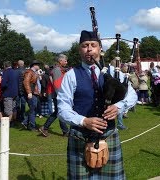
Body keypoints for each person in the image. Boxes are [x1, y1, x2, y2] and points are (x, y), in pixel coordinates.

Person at [57, 30, 137, 179]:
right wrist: (84, 121)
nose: (89, 49)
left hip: (108, 134)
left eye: (93, 45)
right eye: (84, 45)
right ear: (79, 50)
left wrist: (119, 106)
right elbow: (62, 109)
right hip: (80, 137)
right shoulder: (71, 75)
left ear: (100, 48)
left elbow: (131, 94)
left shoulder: (114, 72)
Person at [38, 54, 70, 137]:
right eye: (65, 61)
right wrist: (61, 95)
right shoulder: (57, 70)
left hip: (56, 94)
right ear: (60, 61)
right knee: (59, 112)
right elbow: (57, 84)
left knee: (58, 112)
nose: (66, 62)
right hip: (57, 94)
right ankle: (46, 128)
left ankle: (64, 131)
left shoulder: (58, 69)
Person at [21, 60, 41, 131]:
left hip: (33, 93)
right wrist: (29, 92)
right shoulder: (29, 72)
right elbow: (26, 82)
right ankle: (31, 126)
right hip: (31, 93)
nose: (39, 66)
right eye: (38, 65)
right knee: (33, 109)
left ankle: (26, 122)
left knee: (33, 109)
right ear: (34, 65)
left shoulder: (32, 72)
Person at [0, 61, 19, 126]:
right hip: (15, 93)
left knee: (8, 111)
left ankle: (6, 125)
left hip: (8, 93)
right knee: (13, 108)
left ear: (5, 66)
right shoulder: (14, 72)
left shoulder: (6, 72)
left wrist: (2, 89)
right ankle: (13, 122)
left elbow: (3, 84)